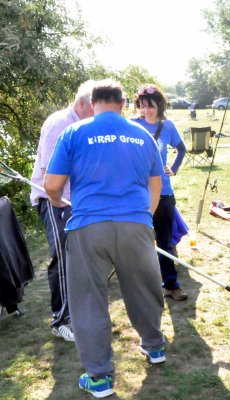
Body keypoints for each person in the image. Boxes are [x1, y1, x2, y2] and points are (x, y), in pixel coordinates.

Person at [44, 79, 166, 398]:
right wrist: (144, 217)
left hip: (88, 227)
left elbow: (53, 182)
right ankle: (155, 347)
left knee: (88, 299)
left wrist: (56, 200)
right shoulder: (142, 135)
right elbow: (156, 185)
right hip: (136, 224)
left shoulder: (74, 132)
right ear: (123, 103)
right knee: (143, 286)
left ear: (93, 102)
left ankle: (99, 376)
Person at [29, 80, 96, 342]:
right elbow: (48, 173)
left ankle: (77, 311)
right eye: (94, 110)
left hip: (75, 201)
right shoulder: (59, 123)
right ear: (82, 104)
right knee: (62, 258)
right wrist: (56, 200)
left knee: (78, 258)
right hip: (54, 201)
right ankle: (61, 319)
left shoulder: (83, 124)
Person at [133, 84, 188, 301]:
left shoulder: (168, 126)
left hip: (164, 193)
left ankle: (171, 285)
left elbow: (181, 148)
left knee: (164, 242)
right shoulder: (131, 125)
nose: (145, 111)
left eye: (150, 107)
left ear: (159, 106)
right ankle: (142, 286)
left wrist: (173, 168)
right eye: (142, 106)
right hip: (137, 193)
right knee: (140, 241)